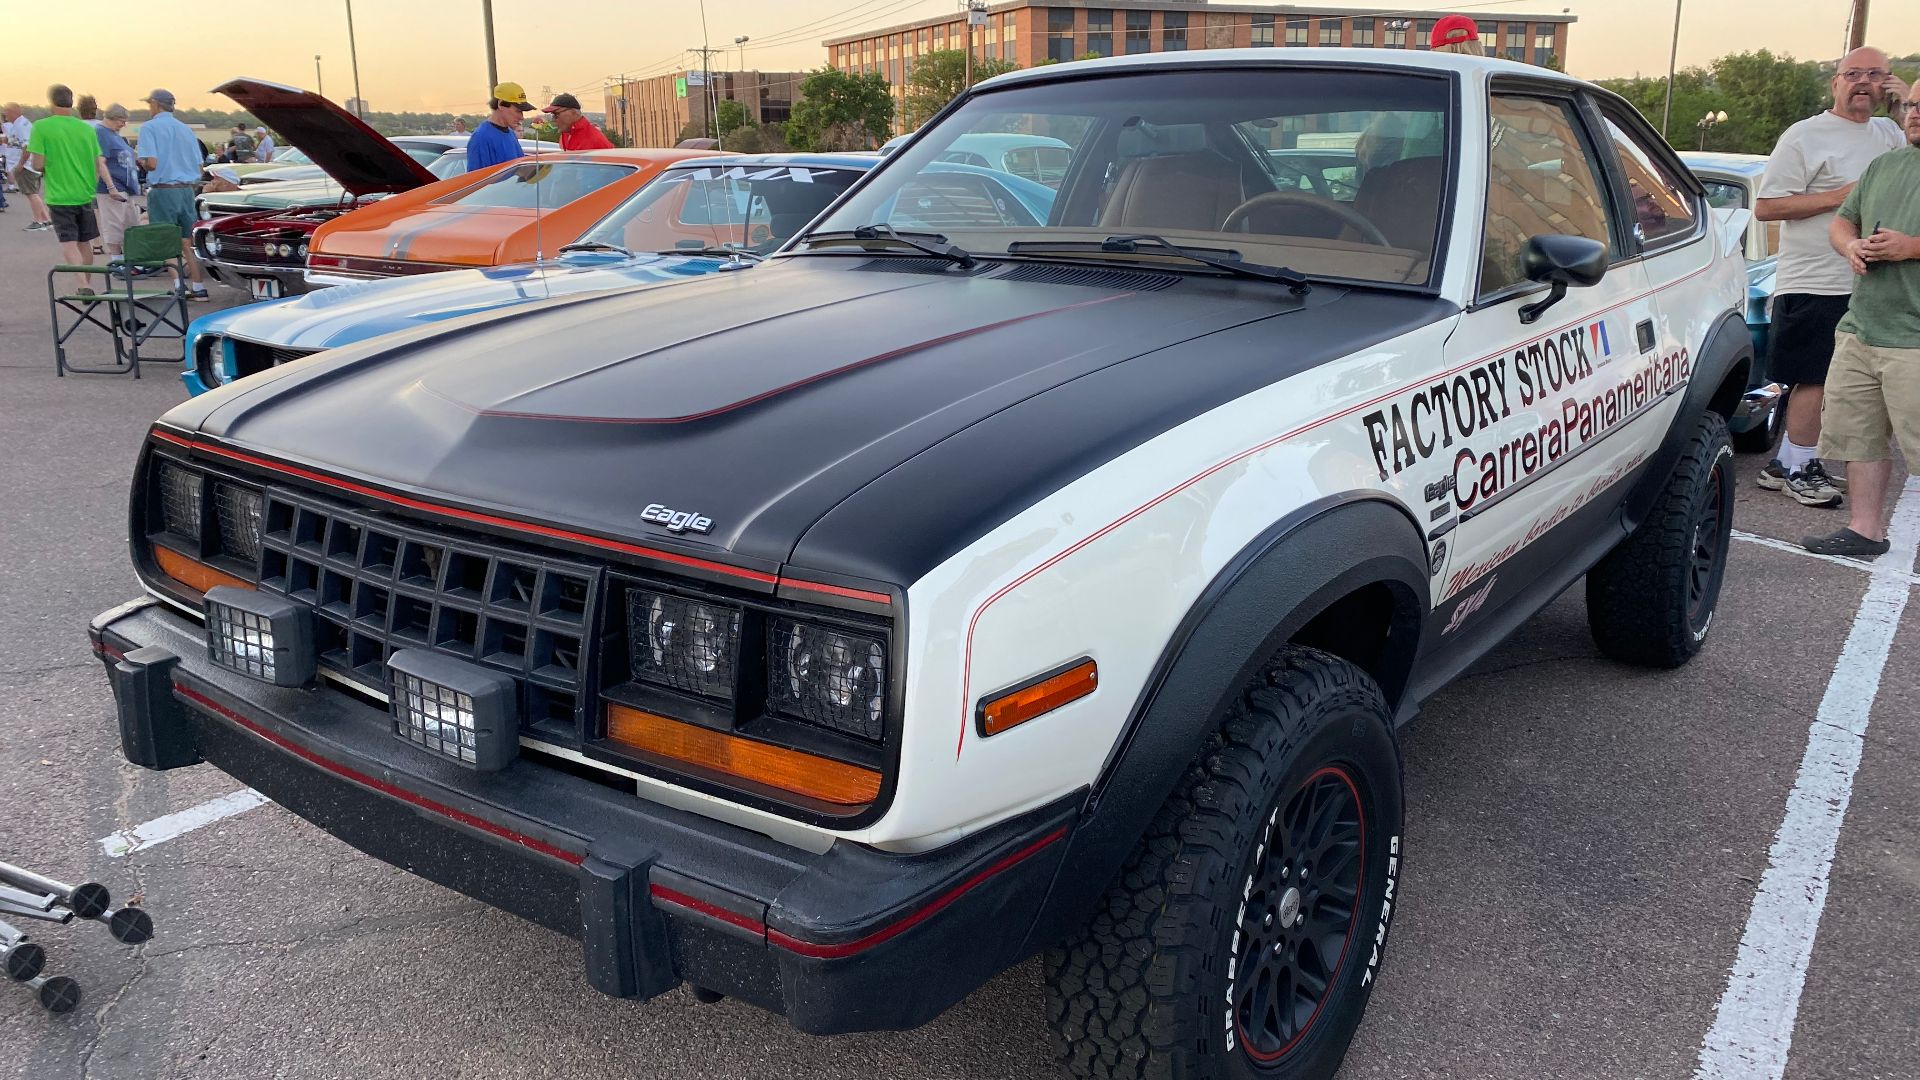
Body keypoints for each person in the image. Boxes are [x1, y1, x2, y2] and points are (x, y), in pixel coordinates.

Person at [1754, 46, 1909, 508]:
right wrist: (1844, 196)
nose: (1863, 82)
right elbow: (1767, 207)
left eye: (1876, 75)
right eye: (1853, 74)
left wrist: (1904, 107)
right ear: (1835, 82)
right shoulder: (1805, 136)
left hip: (1868, 281)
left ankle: (1796, 459)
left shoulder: (1888, 132)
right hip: (1815, 278)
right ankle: (1791, 467)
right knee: (1814, 377)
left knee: (1846, 381)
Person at [1808, 94, 1920, 559]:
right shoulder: (1885, 165)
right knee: (1860, 435)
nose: (1914, 112)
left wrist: (1911, 246)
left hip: (1914, 339)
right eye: (1912, 104)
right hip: (1862, 328)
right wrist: (1849, 246)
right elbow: (1842, 220)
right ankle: (1865, 531)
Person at [23, 85, 126, 293]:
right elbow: (98, 160)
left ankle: (82, 284)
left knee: (69, 243)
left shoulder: (42, 127)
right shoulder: (86, 129)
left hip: (60, 194)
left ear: (51, 101)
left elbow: (38, 164)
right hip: (84, 192)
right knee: (84, 242)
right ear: (71, 103)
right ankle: (85, 282)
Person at [134, 89, 209, 301]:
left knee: (168, 240)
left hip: (163, 189)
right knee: (187, 241)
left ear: (156, 105)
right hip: (186, 190)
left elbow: (152, 163)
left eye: (150, 104)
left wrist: (141, 162)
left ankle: (178, 286)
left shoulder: (149, 128)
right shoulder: (186, 129)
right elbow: (199, 165)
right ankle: (198, 286)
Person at [94, 103, 141, 259]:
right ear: (113, 118)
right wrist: (111, 187)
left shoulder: (114, 134)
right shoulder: (101, 133)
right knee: (114, 225)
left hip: (126, 186)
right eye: (122, 120)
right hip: (114, 187)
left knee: (131, 223)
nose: (123, 124)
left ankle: (131, 259)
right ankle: (117, 260)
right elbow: (100, 161)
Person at [468, 82, 532, 171]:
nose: (521, 117)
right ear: (501, 104)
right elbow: (476, 180)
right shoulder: (481, 137)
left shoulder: (510, 133)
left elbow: (519, 170)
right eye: (518, 111)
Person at [8, 102, 51, 230]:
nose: (6, 114)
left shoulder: (22, 125)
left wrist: (21, 163)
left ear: (16, 112)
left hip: (26, 166)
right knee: (32, 193)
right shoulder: (19, 125)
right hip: (25, 164)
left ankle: (38, 221)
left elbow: (28, 146)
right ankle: (46, 219)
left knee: (31, 193)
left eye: (8, 112)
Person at [544, 92, 612, 151]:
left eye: (556, 114)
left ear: (574, 112)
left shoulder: (594, 139)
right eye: (552, 115)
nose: (553, 120)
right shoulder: (566, 134)